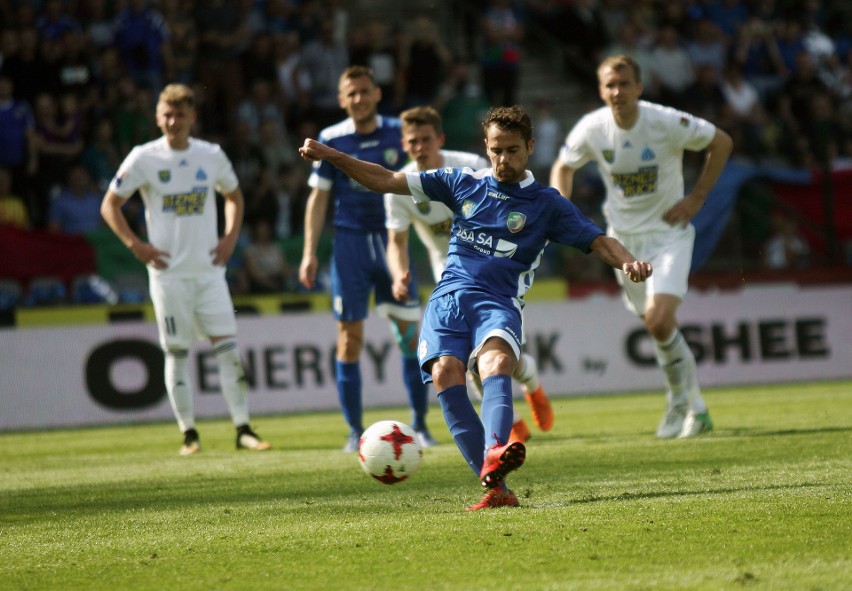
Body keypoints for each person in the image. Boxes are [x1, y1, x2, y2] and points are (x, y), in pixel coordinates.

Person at [299, 105, 652, 510]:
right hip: (449, 299)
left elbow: (597, 240)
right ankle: (495, 487)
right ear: (486, 147)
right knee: (447, 373)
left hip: (499, 303)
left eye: (514, 150)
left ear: (530, 147)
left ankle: (496, 450)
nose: (504, 160)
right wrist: (333, 156)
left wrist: (627, 261)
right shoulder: (461, 183)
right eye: (497, 150)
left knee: (495, 363)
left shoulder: (547, 204)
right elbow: (384, 179)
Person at [550, 54, 733, 440]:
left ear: (639, 87)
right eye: (609, 85)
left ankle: (682, 403)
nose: (617, 91)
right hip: (624, 243)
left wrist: (697, 198)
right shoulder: (592, 127)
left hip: (669, 234)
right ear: (601, 91)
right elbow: (564, 166)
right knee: (655, 325)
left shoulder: (665, 121)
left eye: (624, 83)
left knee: (659, 319)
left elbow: (722, 142)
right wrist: (561, 209)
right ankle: (693, 406)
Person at [100, 83, 271, 456]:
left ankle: (243, 429)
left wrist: (229, 237)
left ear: (193, 117)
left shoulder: (210, 155)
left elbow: (234, 197)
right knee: (177, 353)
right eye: (167, 114)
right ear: (157, 117)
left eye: (180, 114)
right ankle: (189, 435)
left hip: (209, 273)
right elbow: (110, 205)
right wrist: (135, 245)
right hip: (169, 275)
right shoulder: (143, 158)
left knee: (227, 350)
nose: (173, 121)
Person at [384, 105, 554, 445]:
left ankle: (532, 385)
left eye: (426, 139)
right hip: (449, 276)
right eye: (413, 141)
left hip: (493, 274)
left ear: (440, 140)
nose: (420, 147)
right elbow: (396, 242)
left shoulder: (469, 168)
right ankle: (513, 427)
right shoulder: (402, 189)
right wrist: (398, 273)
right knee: (467, 365)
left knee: (503, 359)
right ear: (405, 145)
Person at [298, 66, 434, 452]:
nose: (358, 99)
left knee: (410, 337)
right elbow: (319, 197)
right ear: (342, 100)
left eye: (364, 91)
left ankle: (421, 425)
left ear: (377, 93)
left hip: (397, 238)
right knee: (349, 337)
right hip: (351, 246)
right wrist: (309, 252)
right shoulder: (330, 138)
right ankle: (354, 431)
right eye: (351, 94)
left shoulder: (398, 131)